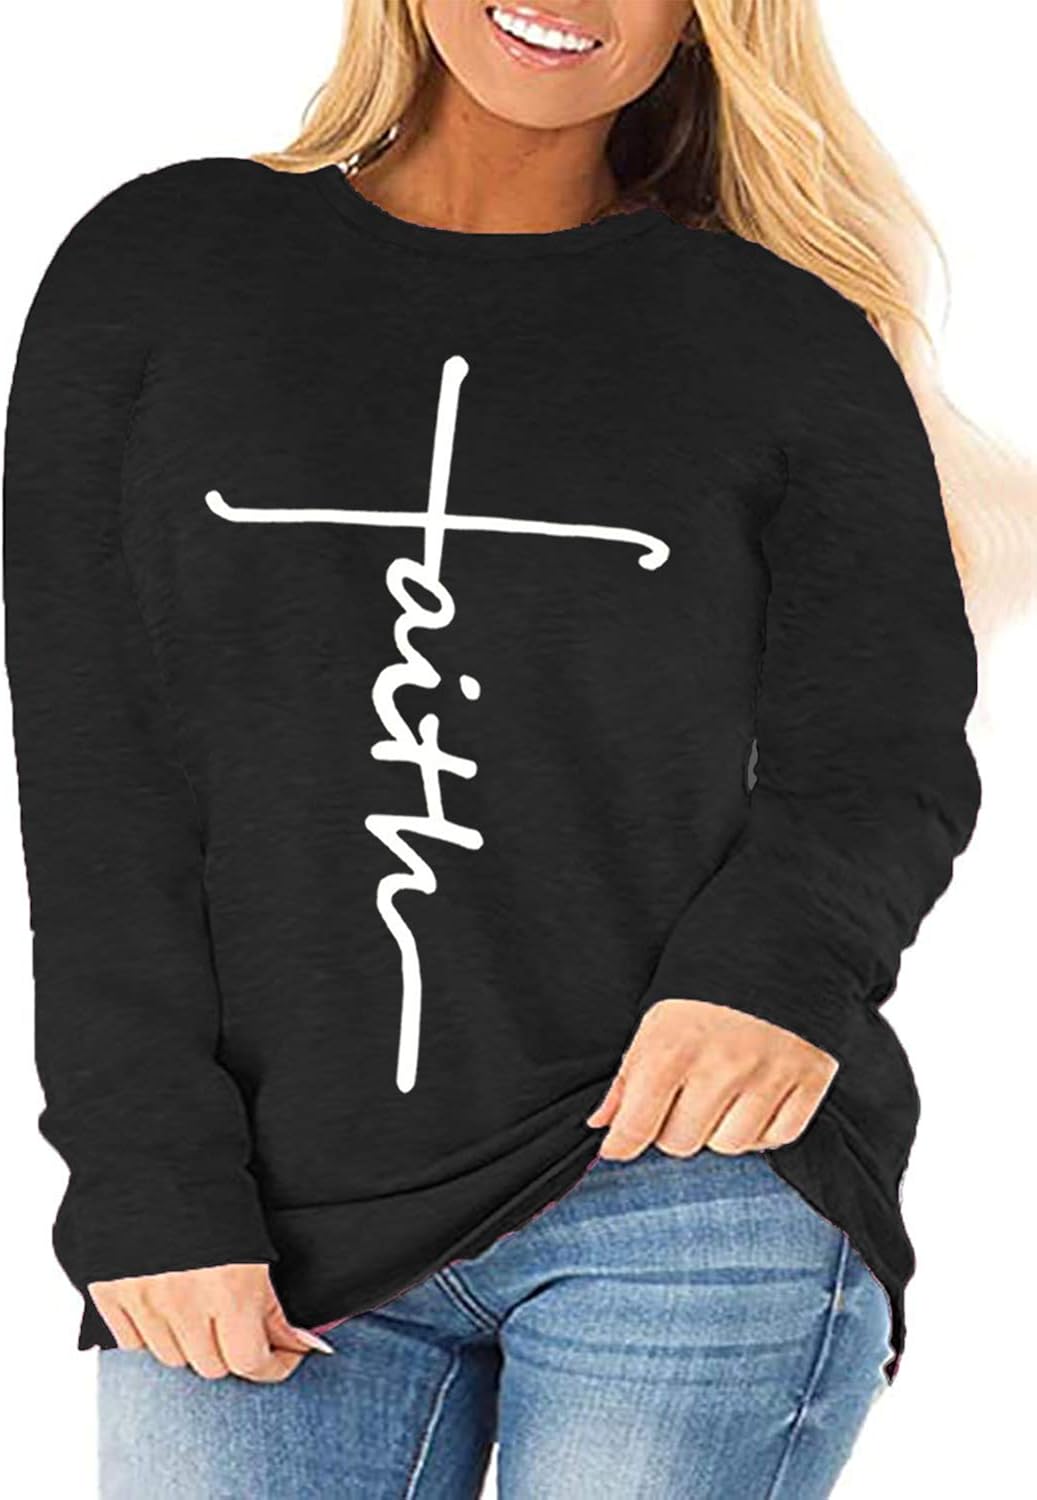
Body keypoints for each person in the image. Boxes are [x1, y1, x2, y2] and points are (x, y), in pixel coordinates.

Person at [4, 3, 988, 1496]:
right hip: (264, 1212)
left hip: (680, 1186)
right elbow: (95, 765)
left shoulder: (783, 337)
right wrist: (143, 1175)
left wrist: (772, 975)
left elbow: (880, 747)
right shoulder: (163, 266)